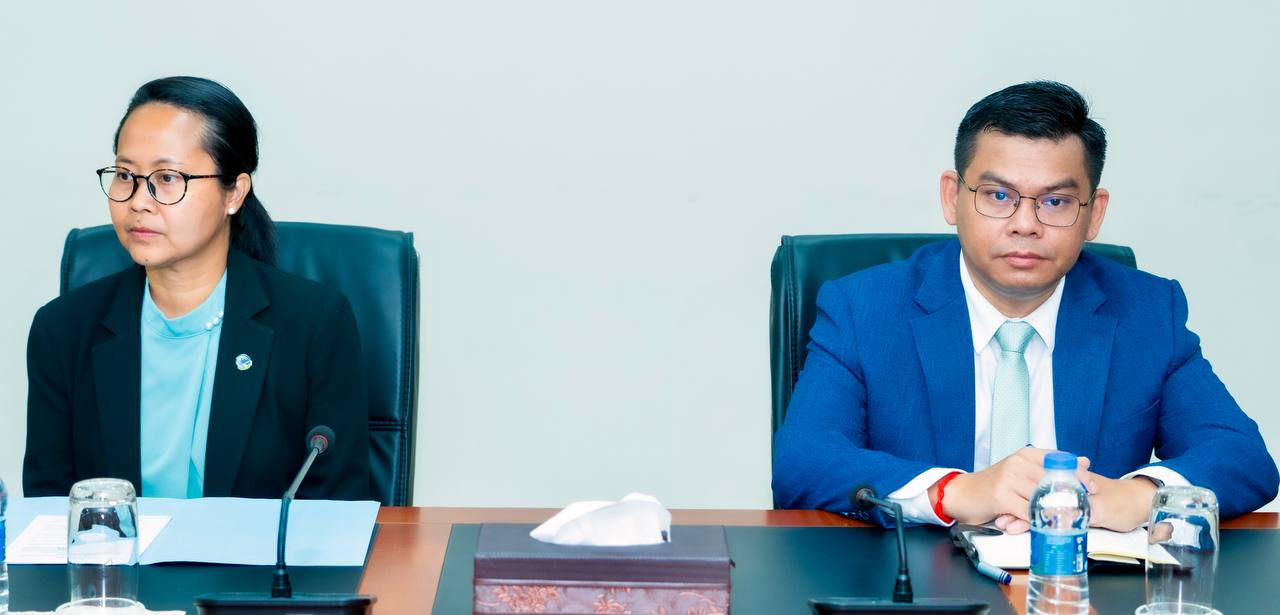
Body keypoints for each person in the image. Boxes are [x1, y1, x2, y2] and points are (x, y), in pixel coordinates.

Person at [772, 81, 1277, 533]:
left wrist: (1139, 497)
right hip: (919, 584)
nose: (1025, 224)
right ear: (952, 198)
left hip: (1083, 586)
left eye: (1055, 202)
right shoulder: (863, 309)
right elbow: (803, 461)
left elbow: (1241, 456)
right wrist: (955, 492)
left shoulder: (1146, 312)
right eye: (998, 195)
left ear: (1094, 214)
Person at [24, 76, 371, 500]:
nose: (138, 201)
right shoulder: (63, 330)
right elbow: (49, 508)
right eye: (125, 175)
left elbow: (337, 509)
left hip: (259, 549)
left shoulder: (314, 324)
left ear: (234, 193)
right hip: (116, 548)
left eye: (168, 177)